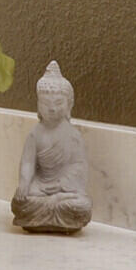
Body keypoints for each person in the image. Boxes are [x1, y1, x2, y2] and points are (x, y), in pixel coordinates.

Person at [12, 62, 93, 234]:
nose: (52, 108)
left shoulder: (73, 135)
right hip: (40, 186)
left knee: (81, 206)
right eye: (46, 103)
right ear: (38, 105)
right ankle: (53, 206)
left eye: (58, 103)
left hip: (64, 188)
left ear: (69, 105)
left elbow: (79, 167)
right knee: (21, 203)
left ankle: (56, 204)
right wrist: (25, 184)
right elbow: (28, 163)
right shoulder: (35, 133)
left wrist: (59, 185)